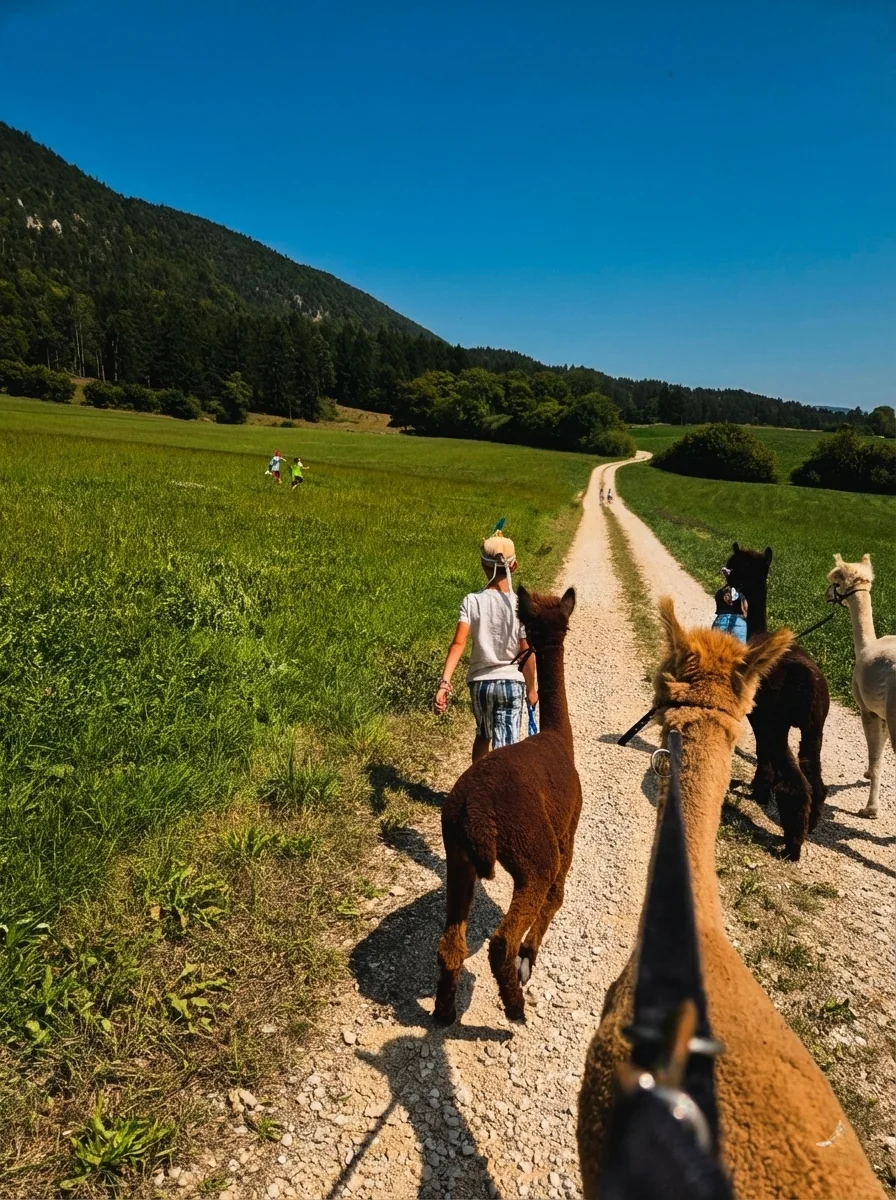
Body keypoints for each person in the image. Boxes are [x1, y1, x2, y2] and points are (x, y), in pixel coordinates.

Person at [434, 527, 538, 763]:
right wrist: (532, 688)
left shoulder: (472, 601)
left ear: (483, 566)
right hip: (512, 683)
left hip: (480, 684)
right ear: (514, 566)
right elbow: (526, 651)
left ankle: (479, 788)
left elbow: (457, 644)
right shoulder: (520, 605)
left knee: (483, 736)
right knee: (508, 747)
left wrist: (444, 682)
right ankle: (503, 795)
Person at [712, 567, 748, 643]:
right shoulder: (742, 594)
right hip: (739, 623)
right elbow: (746, 612)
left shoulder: (720, 592)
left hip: (721, 621)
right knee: (740, 653)